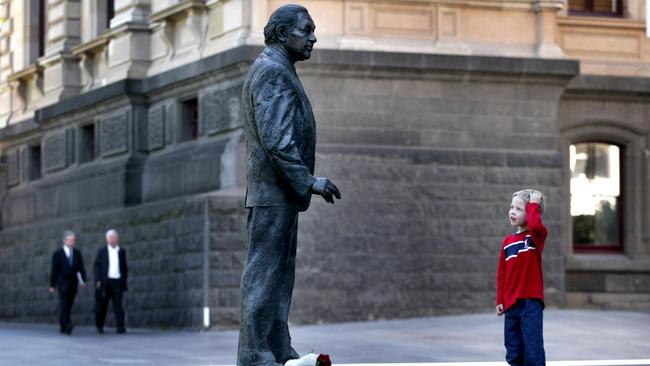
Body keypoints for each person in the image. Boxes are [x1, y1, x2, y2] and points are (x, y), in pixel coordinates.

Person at [237, 4, 341, 366]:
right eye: (306, 30)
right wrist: (309, 181)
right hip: (273, 193)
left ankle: (276, 347)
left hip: (278, 193)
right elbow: (277, 139)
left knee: (279, 278)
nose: (313, 38)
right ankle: (255, 353)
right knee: (264, 276)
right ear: (282, 34)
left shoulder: (278, 69)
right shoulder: (272, 72)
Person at [496, 189, 548, 366]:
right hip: (511, 305)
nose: (512, 212)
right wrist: (500, 299)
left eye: (519, 209)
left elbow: (536, 226)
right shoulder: (507, 242)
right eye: (511, 207)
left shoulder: (536, 237)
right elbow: (501, 274)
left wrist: (533, 205)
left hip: (530, 304)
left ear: (533, 212)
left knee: (533, 354)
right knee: (514, 353)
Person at [49, 230, 87, 335]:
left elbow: (80, 268)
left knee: (68, 304)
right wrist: (52, 285)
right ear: (65, 241)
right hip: (62, 283)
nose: (72, 242)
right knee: (64, 303)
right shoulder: (58, 254)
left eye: (74, 240)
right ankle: (68, 324)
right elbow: (54, 270)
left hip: (73, 283)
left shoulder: (77, 253)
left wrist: (83, 280)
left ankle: (63, 324)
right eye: (70, 240)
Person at [94, 229, 128, 334]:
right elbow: (96, 266)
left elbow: (124, 267)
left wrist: (124, 281)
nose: (113, 240)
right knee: (103, 305)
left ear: (117, 239)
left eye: (114, 238)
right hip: (105, 282)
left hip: (117, 281)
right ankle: (99, 325)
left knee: (118, 305)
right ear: (107, 240)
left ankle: (120, 326)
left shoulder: (121, 251)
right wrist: (98, 280)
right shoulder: (102, 252)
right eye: (110, 238)